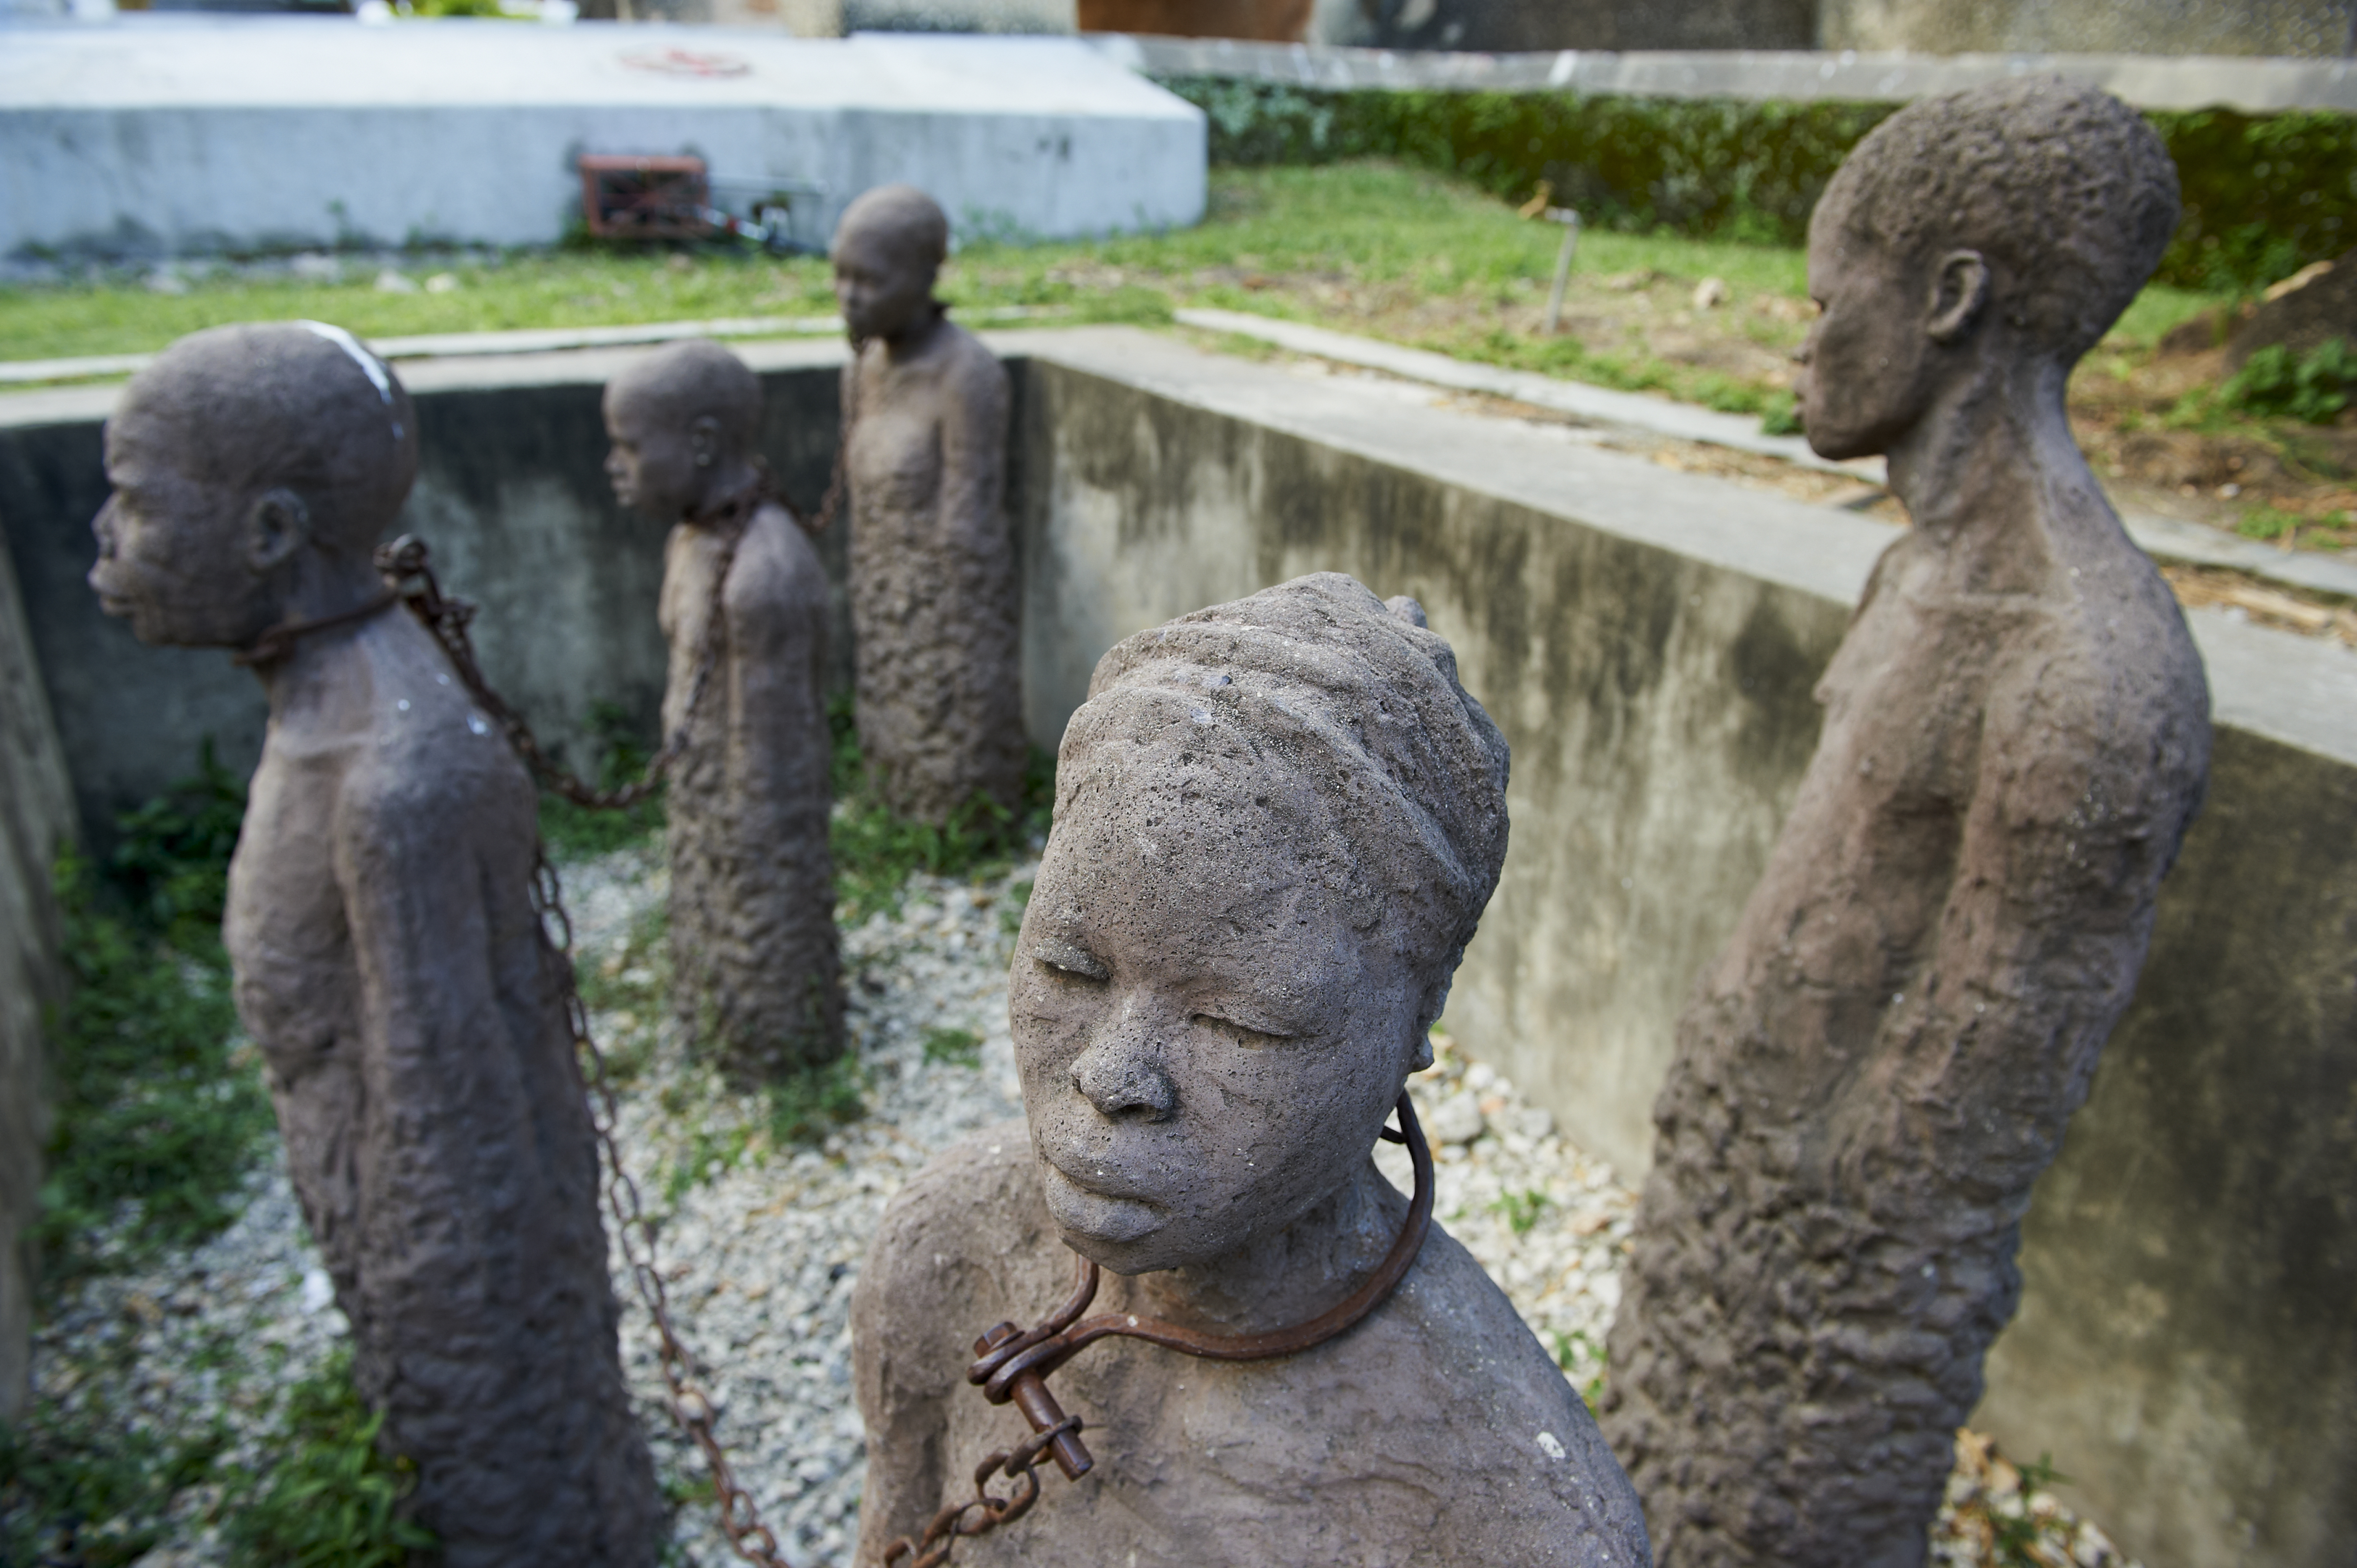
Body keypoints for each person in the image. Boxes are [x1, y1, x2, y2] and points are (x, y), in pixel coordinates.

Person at [1601, 78, 2211, 1566]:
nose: (1798, 341)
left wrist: (1798, 1224)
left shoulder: (2087, 665)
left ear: (1949, 297)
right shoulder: (1918, 572)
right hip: (1734, 1178)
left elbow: (1974, 1087)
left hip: (1822, 1269)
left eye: (1824, 302)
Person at [851, 573, 1649, 1568]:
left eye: (1237, 1023)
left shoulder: (1513, 1523)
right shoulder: (940, 1255)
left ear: (1415, 1021)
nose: (1111, 1077)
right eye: (1069, 967)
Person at [88, 321, 658, 1565]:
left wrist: (464, 1407)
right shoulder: (326, 711)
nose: (104, 537)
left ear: (271, 532)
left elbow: (456, 1160)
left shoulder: (395, 785)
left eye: (134, 503)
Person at [603, 339, 842, 1083]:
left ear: (702, 444)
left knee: (752, 924)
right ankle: (716, 1010)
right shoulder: (692, 538)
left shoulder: (764, 575)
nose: (614, 466)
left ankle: (772, 1037)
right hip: (704, 799)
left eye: (629, 447)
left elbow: (773, 779)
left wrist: (750, 891)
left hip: (749, 829)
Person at [832, 183, 1025, 825]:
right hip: (881, 596)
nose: (848, 296)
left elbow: (970, 527)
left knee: (942, 740)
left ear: (922, 276)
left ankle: (959, 810)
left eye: (869, 280)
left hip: (945, 615)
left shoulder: (968, 376)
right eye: (840, 276)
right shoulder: (862, 369)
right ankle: (893, 790)